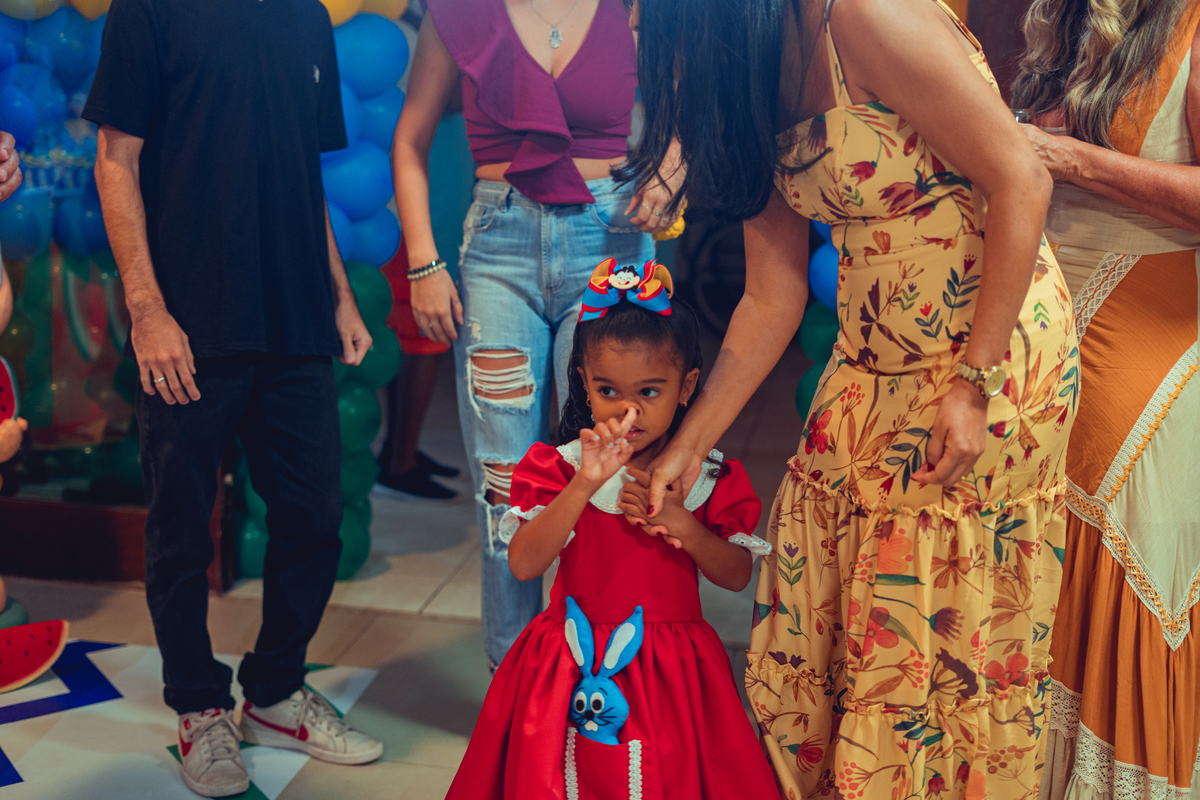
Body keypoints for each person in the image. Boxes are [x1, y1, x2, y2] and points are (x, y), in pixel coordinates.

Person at [626, 0, 1079, 797]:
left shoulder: (865, 18)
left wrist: (972, 387)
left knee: (922, 632)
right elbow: (771, 295)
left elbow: (1022, 178)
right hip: (870, 357)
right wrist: (689, 444)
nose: (633, 23)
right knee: (817, 593)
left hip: (988, 353)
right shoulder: (752, 70)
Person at [84, 1, 381, 795]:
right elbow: (116, 159)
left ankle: (277, 692)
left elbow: (301, 172)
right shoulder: (149, 8)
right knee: (181, 532)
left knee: (315, 518)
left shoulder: (307, 18)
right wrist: (147, 311)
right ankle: (199, 709)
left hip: (294, 317)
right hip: (188, 321)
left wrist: (340, 295)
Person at [392, 0, 683, 670]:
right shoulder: (459, 12)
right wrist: (423, 263)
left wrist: (671, 171)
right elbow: (409, 139)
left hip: (609, 245)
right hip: (499, 250)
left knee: (615, 471)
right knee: (506, 488)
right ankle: (514, 695)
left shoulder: (636, 8)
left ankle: (609, 684)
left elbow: (690, 115)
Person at [444, 261, 781, 799]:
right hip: (569, 666)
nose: (629, 410)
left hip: (673, 675)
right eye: (608, 390)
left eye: (650, 391)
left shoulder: (706, 476)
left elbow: (738, 575)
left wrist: (684, 527)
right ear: (582, 380)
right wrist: (583, 485)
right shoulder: (560, 466)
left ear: (687, 385)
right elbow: (525, 563)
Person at [1011, 4, 1200, 799]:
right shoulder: (1067, 12)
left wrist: (1063, 156)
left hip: (1145, 342)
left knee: (1118, 577)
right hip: (1046, 338)